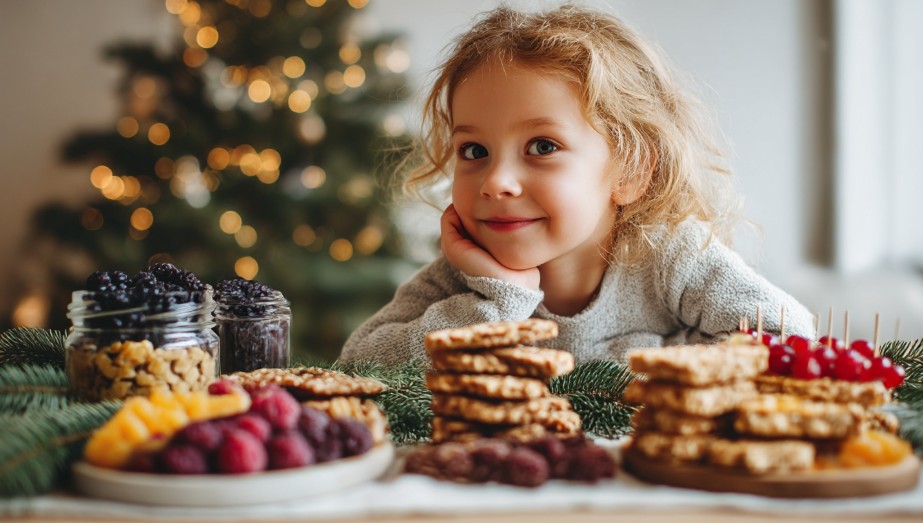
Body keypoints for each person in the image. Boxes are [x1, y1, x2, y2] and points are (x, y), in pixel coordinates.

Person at [340, 5, 813, 366]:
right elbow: (359, 364)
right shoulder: (463, 277)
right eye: (474, 151)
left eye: (542, 147)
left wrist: (636, 369)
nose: (496, 182)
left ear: (629, 171)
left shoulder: (671, 257)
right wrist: (497, 303)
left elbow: (788, 338)